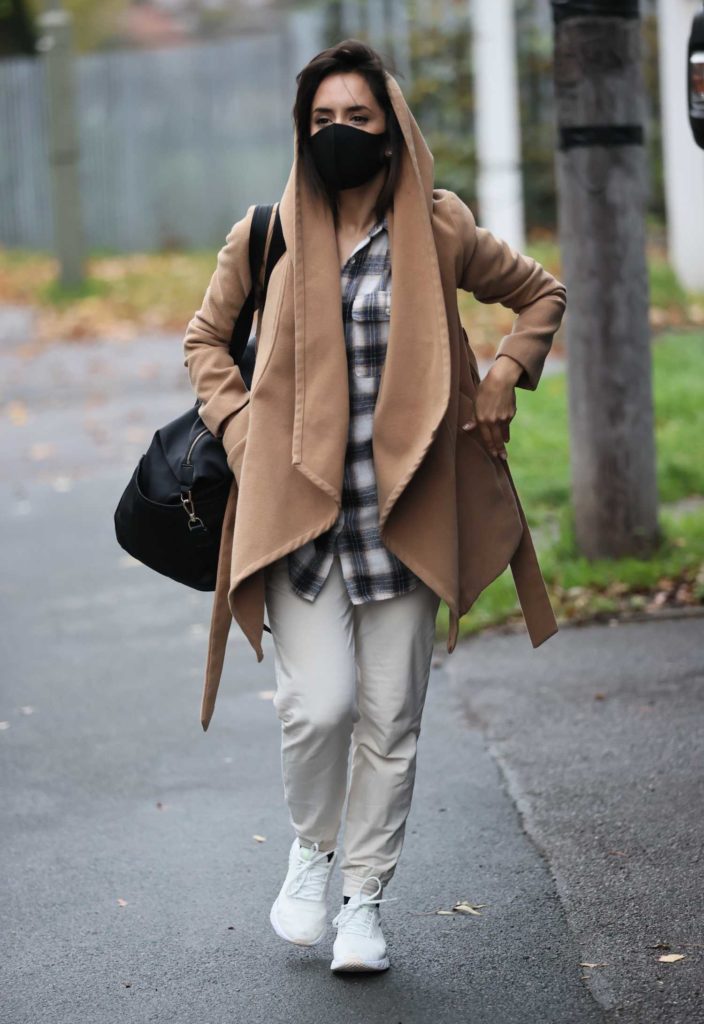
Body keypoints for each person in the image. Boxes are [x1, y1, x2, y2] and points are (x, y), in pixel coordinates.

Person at [182, 40, 567, 974]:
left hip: (406, 516)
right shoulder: (265, 233)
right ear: (301, 132)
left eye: (357, 119)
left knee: (391, 719)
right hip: (303, 524)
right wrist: (241, 434)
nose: (339, 135)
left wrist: (506, 376)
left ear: (392, 129)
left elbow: (540, 292)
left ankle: (364, 900)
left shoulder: (439, 231)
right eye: (322, 122)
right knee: (320, 709)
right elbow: (205, 341)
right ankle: (312, 849)